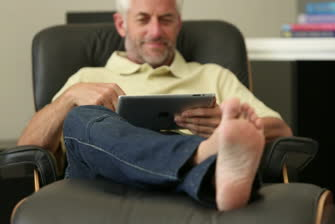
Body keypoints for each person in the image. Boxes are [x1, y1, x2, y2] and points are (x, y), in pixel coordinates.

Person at [17, 0, 292, 211]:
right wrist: (70, 98)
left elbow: (282, 131)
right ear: (122, 24)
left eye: (166, 19)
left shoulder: (212, 75)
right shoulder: (87, 78)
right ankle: (199, 157)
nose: (156, 30)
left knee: (235, 125)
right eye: (143, 19)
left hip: (183, 182)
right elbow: (28, 146)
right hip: (101, 178)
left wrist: (225, 122)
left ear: (179, 24)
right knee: (83, 117)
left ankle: (201, 161)